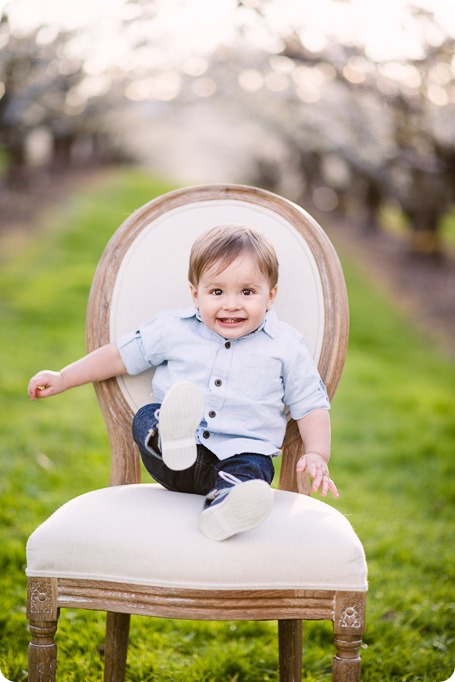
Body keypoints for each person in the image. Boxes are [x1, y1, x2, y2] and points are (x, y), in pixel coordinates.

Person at [28, 224, 339, 541]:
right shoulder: (173, 329)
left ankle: (226, 506)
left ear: (270, 296)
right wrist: (64, 377)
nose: (231, 304)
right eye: (217, 292)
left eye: (247, 292)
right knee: (147, 417)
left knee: (252, 476)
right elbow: (119, 356)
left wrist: (317, 453)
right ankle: (168, 437)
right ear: (195, 294)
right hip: (176, 462)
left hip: (242, 456)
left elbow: (310, 404)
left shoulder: (285, 346)